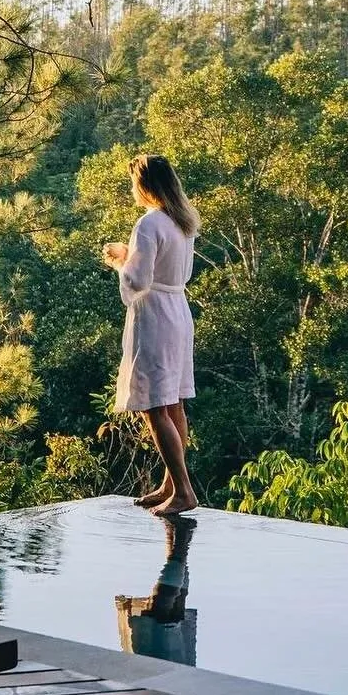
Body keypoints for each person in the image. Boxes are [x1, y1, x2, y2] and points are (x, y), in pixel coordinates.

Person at [102, 153, 199, 516]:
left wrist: (118, 261)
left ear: (143, 185)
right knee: (173, 402)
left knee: (154, 406)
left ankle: (184, 491)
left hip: (156, 316)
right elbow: (165, 267)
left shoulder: (149, 222)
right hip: (178, 312)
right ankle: (171, 484)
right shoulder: (183, 220)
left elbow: (138, 280)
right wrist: (131, 253)